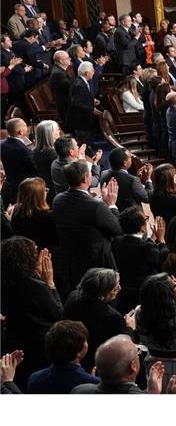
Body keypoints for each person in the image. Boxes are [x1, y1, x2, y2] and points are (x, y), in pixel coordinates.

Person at [52, 160, 121, 296]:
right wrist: (111, 205)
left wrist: (101, 203)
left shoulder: (57, 200)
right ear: (85, 178)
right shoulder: (96, 207)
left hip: (70, 260)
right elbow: (118, 230)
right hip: (97, 264)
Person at [1, 237, 62, 387]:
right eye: (34, 253)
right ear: (26, 258)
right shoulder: (36, 287)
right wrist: (50, 284)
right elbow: (58, 314)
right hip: (39, 345)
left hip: (14, 339)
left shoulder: (5, 282)